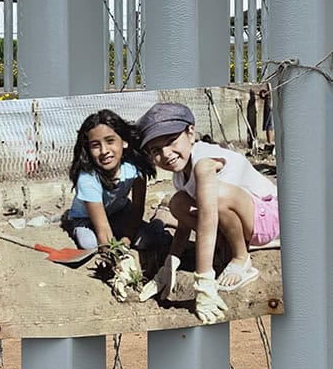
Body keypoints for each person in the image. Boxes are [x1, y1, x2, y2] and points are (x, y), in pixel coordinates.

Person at [136, 102, 279, 324]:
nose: (166, 154)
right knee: (177, 203)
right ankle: (227, 247)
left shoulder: (204, 162)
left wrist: (203, 281)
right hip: (243, 217)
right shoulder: (179, 175)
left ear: (190, 133)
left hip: (268, 217)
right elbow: (183, 223)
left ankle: (242, 259)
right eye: (156, 151)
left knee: (217, 197)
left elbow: (208, 216)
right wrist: (170, 262)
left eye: (171, 141)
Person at [63, 109, 156, 250]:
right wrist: (114, 253)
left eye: (110, 141)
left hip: (119, 211)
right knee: (90, 245)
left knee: (145, 240)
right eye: (95, 145)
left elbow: (137, 208)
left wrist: (127, 239)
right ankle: (70, 222)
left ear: (124, 142)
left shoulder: (135, 168)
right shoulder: (88, 178)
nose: (104, 151)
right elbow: (103, 230)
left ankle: (163, 215)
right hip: (86, 219)